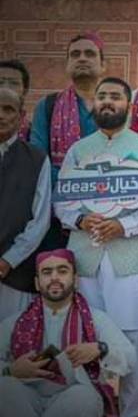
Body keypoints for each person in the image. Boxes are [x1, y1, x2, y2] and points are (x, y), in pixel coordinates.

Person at [54, 77, 138, 417]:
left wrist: (123, 226)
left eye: (116, 96)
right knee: (84, 338)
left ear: (128, 105)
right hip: (85, 258)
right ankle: (94, 414)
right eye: (102, 96)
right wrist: (80, 219)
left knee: (135, 338)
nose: (108, 101)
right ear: (93, 105)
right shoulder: (78, 151)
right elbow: (62, 200)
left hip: (132, 258)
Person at [0, 249, 134, 417]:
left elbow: (129, 356)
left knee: (85, 398)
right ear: (37, 282)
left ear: (75, 279)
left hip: (68, 401)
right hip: (26, 402)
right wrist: (12, 369)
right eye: (47, 272)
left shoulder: (95, 319)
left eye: (62, 271)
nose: (54, 278)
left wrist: (99, 349)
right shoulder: (15, 322)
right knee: (6, 386)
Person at [0, 88, 51, 321]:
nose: (1, 115)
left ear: (21, 117)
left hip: (16, 273)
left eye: (8, 109)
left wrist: (9, 260)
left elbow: (40, 220)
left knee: (12, 346)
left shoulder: (37, 158)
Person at [30, 32, 105, 185]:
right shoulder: (47, 105)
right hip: (61, 195)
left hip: (110, 194)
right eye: (75, 54)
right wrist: (74, 183)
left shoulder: (119, 104)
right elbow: (37, 157)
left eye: (89, 54)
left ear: (103, 65)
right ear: (67, 65)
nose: (82, 58)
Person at [0, 59, 32, 140]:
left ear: (25, 90)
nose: (6, 88)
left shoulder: (34, 134)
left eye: (14, 83)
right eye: (0, 82)